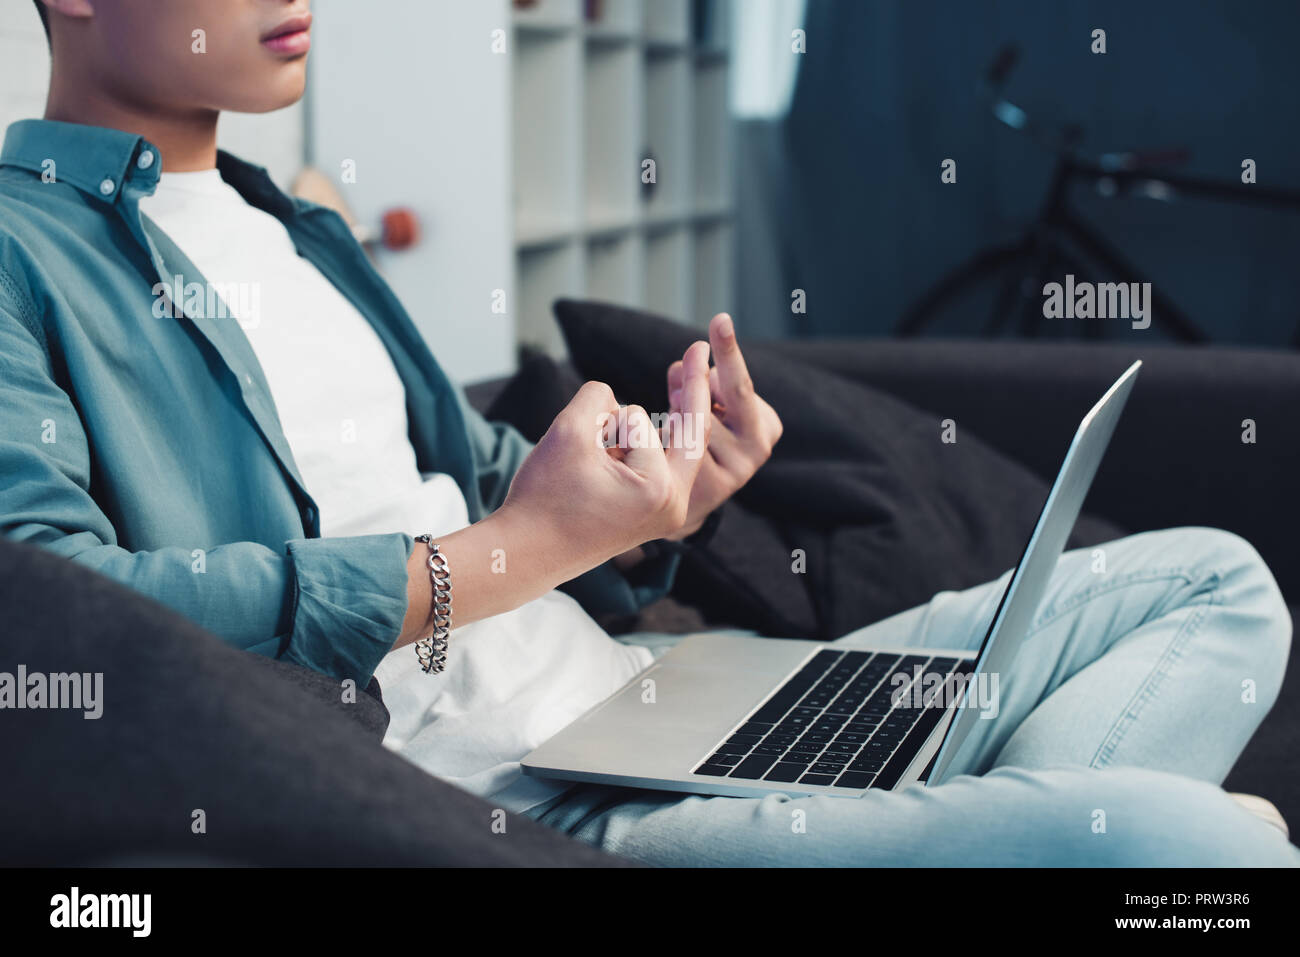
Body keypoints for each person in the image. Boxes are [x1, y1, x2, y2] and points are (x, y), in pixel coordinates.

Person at [0, 0, 1294, 866]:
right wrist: (504, 551)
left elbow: (479, 483)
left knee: (1223, 585)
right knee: (1213, 852)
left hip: (646, 695)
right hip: (532, 795)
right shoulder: (23, 254)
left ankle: (931, 818)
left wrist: (660, 504)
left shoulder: (298, 225)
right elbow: (64, 615)